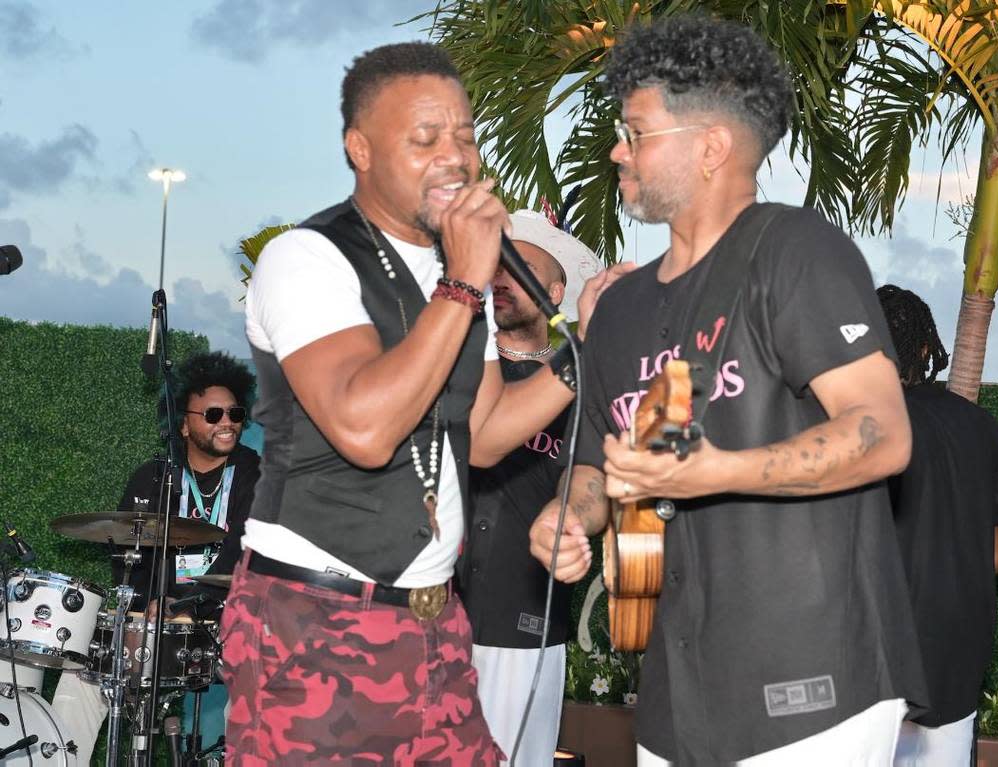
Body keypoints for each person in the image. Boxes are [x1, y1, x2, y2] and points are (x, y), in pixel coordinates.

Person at [529, 15, 928, 766]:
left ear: (710, 147)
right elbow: (593, 471)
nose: (619, 149)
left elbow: (883, 430)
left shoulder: (794, 250)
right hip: (677, 697)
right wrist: (569, 519)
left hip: (812, 686)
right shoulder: (616, 310)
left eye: (637, 131)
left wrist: (719, 470)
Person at [227, 42, 623, 764]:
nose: (454, 156)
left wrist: (583, 351)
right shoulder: (307, 258)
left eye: (466, 137)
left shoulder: (453, 277)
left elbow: (483, 435)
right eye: (425, 139)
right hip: (316, 624)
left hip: (435, 626)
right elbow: (365, 427)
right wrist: (466, 286)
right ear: (360, 148)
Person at [53, 350, 260, 766]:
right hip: (157, 619)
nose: (227, 422)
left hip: (227, 617)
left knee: (263, 677)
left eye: (234, 412)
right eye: (214, 413)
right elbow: (128, 556)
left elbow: (244, 549)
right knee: (85, 672)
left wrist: (187, 603)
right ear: (183, 424)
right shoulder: (153, 477)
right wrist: (142, 607)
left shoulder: (257, 476)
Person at [878, 284, 998, 766]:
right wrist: (967, 573)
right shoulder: (975, 424)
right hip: (957, 646)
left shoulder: (861, 427)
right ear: (927, 348)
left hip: (880, 650)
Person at [458, 209, 603, 764]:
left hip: (521, 623)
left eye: (519, 266)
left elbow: (595, 479)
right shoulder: (460, 359)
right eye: (495, 264)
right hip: (430, 612)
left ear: (556, 289)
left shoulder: (585, 381)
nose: (499, 277)